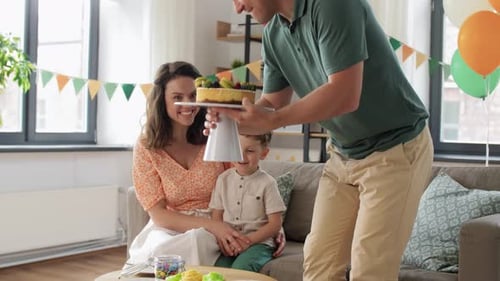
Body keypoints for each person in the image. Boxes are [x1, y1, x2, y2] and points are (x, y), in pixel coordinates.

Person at [205, 0, 434, 280]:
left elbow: (345, 94)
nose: (238, 8)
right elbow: (273, 103)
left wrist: (272, 120)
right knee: (319, 264)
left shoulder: (333, 5)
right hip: (342, 155)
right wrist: (231, 121)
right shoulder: (274, 33)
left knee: (370, 269)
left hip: (395, 148)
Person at [126, 61, 285, 269]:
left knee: (198, 241)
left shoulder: (216, 132)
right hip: (172, 227)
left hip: (220, 223)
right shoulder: (147, 145)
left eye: (193, 96)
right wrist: (213, 226)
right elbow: (159, 214)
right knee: (159, 252)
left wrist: (274, 228)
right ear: (161, 100)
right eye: (177, 97)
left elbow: (244, 180)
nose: (188, 104)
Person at [209, 132, 286, 272]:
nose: (242, 157)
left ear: (264, 153)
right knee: (218, 271)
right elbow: (217, 215)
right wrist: (226, 241)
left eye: (250, 151)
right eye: (237, 150)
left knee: (241, 269)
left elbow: (275, 224)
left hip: (260, 243)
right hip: (231, 243)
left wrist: (247, 241)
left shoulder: (268, 183)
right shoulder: (222, 179)